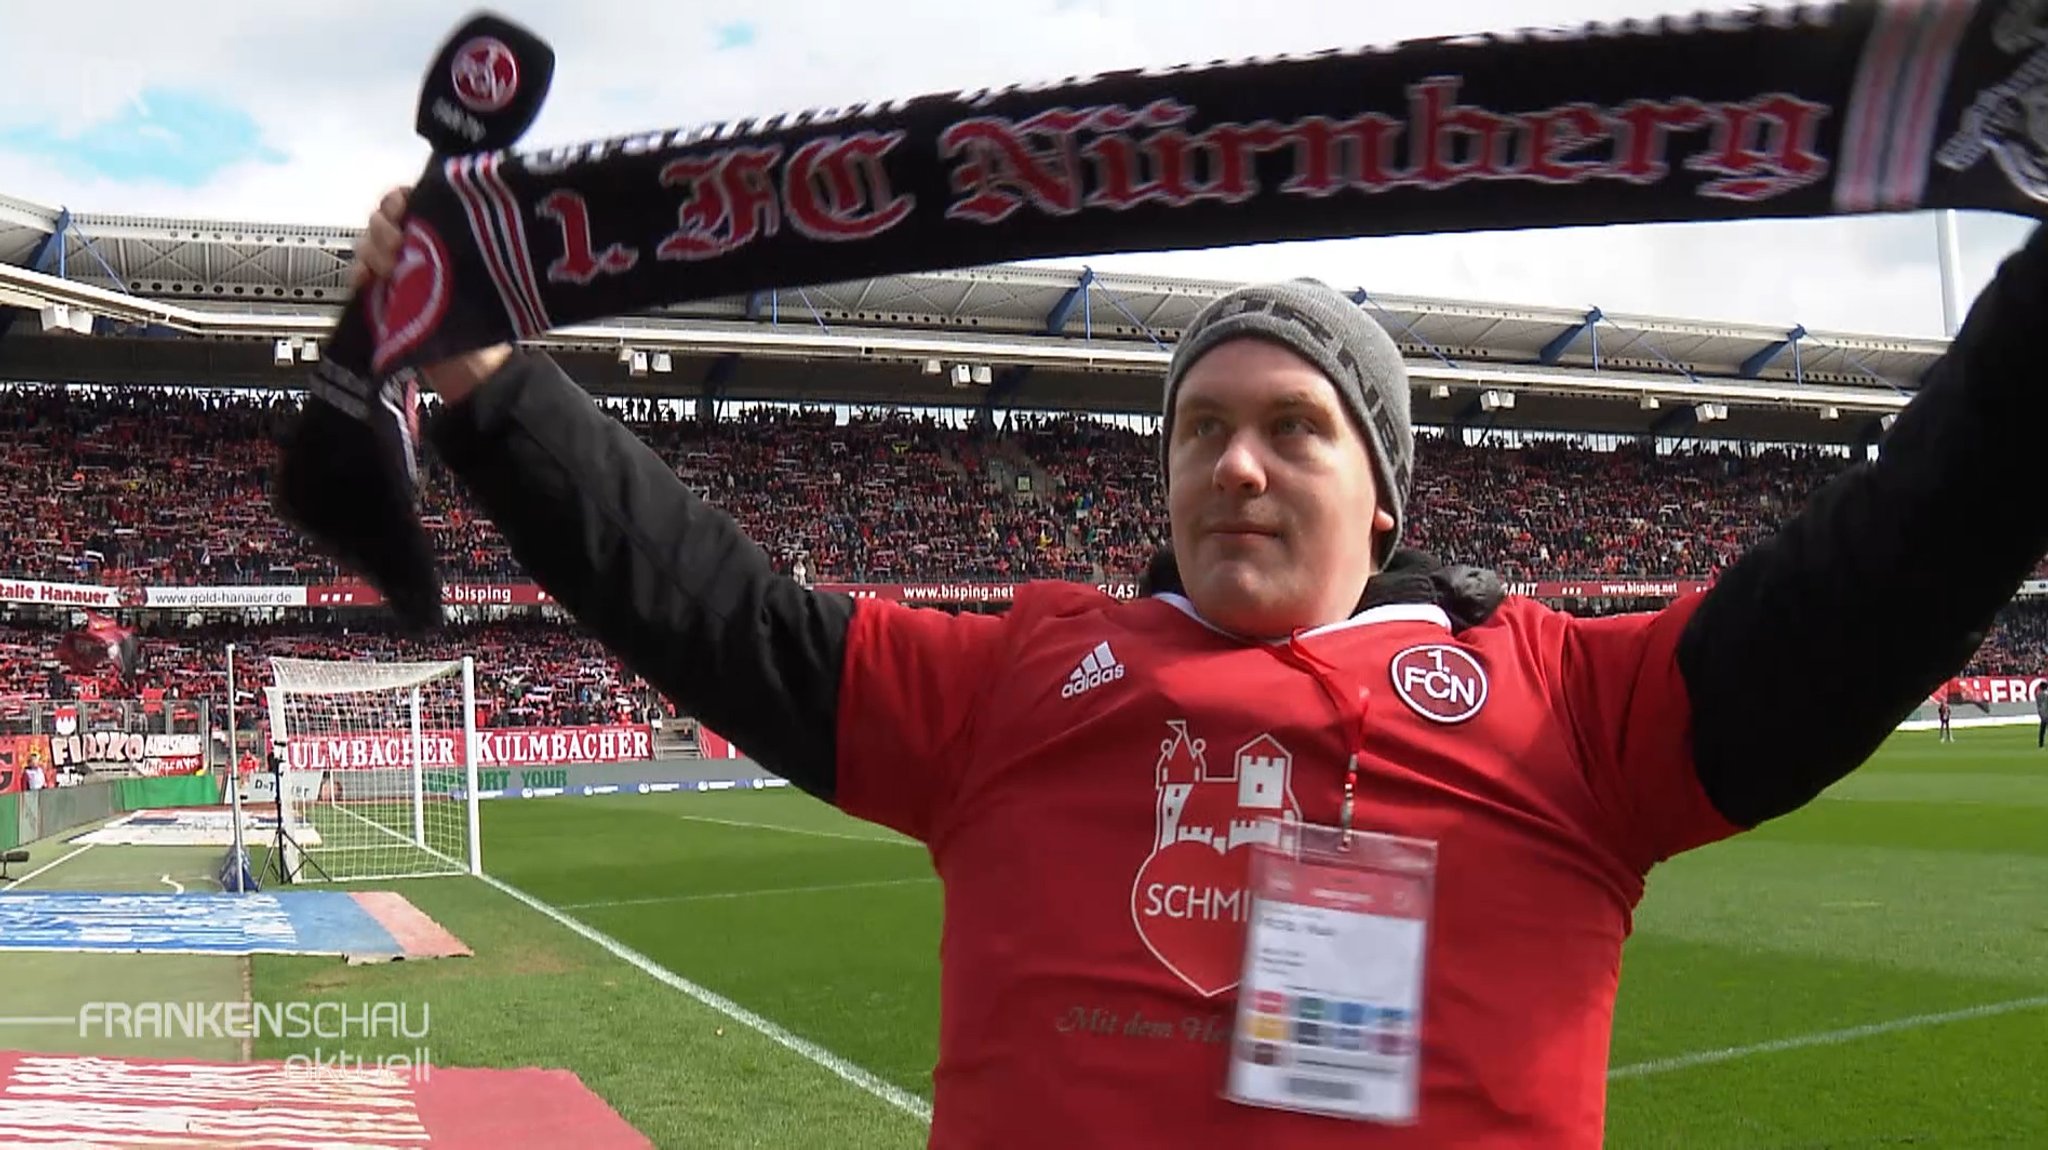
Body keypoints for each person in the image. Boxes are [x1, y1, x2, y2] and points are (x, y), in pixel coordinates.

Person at [344, 185, 2048, 1148]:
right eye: (1204, 430)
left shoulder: (1570, 708)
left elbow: (1889, 569)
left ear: (1385, 491)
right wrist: (495, 384)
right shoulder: (1023, 676)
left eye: (1296, 429)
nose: (1239, 465)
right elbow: (713, 606)